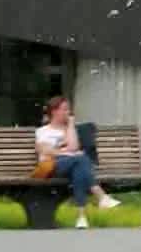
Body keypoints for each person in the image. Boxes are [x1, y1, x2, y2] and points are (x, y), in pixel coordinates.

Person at [33, 96, 120, 230]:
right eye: (65, 109)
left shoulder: (69, 129)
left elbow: (73, 147)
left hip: (71, 165)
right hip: (51, 166)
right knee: (80, 158)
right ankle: (101, 196)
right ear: (54, 111)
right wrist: (65, 153)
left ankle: (81, 218)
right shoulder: (43, 131)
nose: (68, 112)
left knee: (79, 171)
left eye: (69, 109)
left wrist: (71, 125)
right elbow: (45, 150)